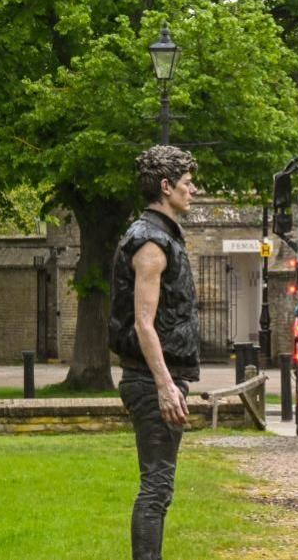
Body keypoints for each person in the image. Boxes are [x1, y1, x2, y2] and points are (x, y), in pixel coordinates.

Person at [109, 145, 200, 560]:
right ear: (165, 187)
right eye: (185, 183)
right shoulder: (151, 243)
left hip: (155, 376)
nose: (193, 189)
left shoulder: (158, 235)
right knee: (156, 487)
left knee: (159, 487)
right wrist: (165, 385)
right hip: (149, 380)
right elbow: (143, 323)